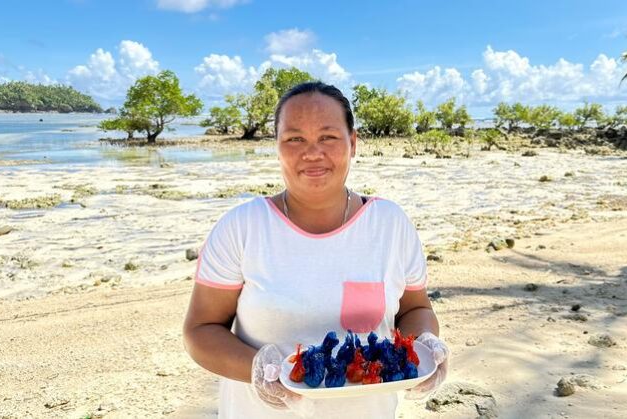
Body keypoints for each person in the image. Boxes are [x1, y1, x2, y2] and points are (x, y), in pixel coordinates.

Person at [183, 81, 449, 418]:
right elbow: (201, 330)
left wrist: (423, 347)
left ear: (352, 143)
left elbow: (414, 309)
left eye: (328, 137)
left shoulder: (390, 224)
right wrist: (258, 368)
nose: (312, 152)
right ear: (276, 146)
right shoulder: (242, 227)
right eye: (294, 138)